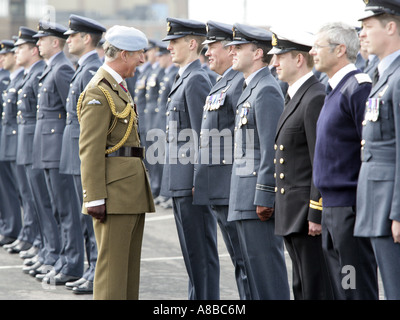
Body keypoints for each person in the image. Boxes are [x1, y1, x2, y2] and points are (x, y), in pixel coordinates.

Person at [78, 25, 155, 300]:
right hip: (113, 194)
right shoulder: (99, 91)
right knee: (112, 273)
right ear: (123, 54)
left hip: (129, 191)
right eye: (139, 54)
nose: (143, 59)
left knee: (128, 272)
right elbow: (90, 149)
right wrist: (95, 197)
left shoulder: (117, 87)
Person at [310, 22, 378, 300]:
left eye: (318, 46)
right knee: (342, 287)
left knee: (355, 287)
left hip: (350, 208)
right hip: (332, 207)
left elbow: (370, 148)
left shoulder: (357, 88)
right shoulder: (334, 89)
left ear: (340, 50)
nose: (312, 52)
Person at [227, 23, 290, 300]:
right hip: (243, 195)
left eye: (238, 48)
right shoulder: (250, 87)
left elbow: (271, 149)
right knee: (252, 276)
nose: (232, 52)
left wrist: (265, 194)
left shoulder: (266, 89)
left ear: (257, 53)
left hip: (256, 199)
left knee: (267, 274)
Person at [270, 27, 333, 299]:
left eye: (279, 57)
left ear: (298, 59)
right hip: (291, 212)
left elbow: (320, 159)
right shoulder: (295, 95)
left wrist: (316, 213)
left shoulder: (314, 96)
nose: (273, 63)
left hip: (306, 216)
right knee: (302, 287)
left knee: (315, 288)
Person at [160, 17, 219, 300]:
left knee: (200, 253)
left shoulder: (196, 79)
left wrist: (201, 179)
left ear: (192, 44)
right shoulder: (185, 76)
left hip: (192, 183)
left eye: (175, 42)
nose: (169, 47)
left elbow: (203, 135)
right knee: (192, 256)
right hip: (180, 180)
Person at [192, 20, 249, 300]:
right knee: (240, 262)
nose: (207, 52)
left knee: (245, 261)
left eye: (212, 46)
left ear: (230, 48)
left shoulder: (238, 83)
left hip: (231, 188)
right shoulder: (223, 82)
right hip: (219, 189)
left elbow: (247, 140)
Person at [31, 20, 84, 285]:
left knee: (66, 211)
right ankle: (64, 258)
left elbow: (73, 113)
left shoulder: (62, 68)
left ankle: (73, 263)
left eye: (42, 39)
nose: (37, 43)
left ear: (55, 42)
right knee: (56, 209)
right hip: (47, 149)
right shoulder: (53, 68)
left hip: (58, 149)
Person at [355, 0, 400, 300]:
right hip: (377, 203)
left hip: (390, 208)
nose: (363, 33)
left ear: (392, 27)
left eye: (369, 26)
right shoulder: (383, 76)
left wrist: (398, 212)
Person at [60, 14, 106, 295]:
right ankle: (91, 269)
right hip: (77, 151)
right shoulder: (83, 68)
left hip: (84, 152)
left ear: (86, 38)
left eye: (71, 35)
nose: (68, 39)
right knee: (83, 216)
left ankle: (95, 272)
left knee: (91, 217)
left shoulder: (91, 71)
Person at [13, 27, 59, 274]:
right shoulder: (35, 73)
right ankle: (45, 248)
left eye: (21, 48)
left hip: (43, 144)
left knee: (47, 202)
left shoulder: (49, 71)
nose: (16, 52)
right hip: (31, 142)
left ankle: (52, 251)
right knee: (37, 199)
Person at [0, 40, 24, 247]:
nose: (2, 59)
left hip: (18, 140)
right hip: (9, 140)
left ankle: (14, 229)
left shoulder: (9, 80)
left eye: (5, 55)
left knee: (21, 190)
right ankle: (11, 228)